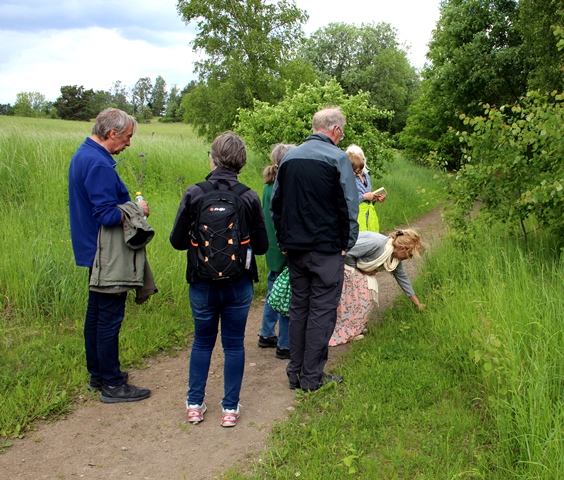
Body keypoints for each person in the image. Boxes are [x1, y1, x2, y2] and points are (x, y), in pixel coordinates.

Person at [170, 131, 268, 427]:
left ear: (212, 158)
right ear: (242, 162)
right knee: (234, 345)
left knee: (202, 342)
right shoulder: (249, 196)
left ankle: (195, 404)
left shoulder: (195, 193)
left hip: (201, 281)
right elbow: (261, 247)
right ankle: (229, 408)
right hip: (239, 284)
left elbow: (176, 241)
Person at [271, 107, 359, 392]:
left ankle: (294, 372)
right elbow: (349, 205)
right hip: (327, 249)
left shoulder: (289, 158)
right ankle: (311, 377)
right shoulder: (337, 158)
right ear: (335, 130)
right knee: (322, 311)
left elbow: (277, 205)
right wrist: (347, 243)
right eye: (341, 132)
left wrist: (284, 241)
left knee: (300, 309)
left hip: (295, 248)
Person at [68, 108, 151, 403]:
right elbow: (105, 214)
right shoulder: (99, 163)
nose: (129, 143)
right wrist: (136, 210)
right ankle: (113, 385)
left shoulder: (84, 154)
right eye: (127, 137)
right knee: (109, 318)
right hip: (106, 253)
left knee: (96, 315)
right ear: (112, 133)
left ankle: (98, 376)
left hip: (91, 248)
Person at [330, 229, 426, 344]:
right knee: (361, 294)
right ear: (402, 248)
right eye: (410, 255)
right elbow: (348, 252)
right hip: (338, 260)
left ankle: (355, 327)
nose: (409, 258)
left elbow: (402, 278)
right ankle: (345, 330)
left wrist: (417, 303)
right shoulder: (377, 244)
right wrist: (360, 270)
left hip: (353, 268)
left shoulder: (394, 257)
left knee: (365, 297)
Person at [258, 144, 296, 360]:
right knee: (286, 294)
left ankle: (266, 333)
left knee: (274, 290)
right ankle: (284, 344)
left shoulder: (268, 185)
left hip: (271, 246)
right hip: (283, 247)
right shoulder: (285, 185)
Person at [347, 144, 386, 233]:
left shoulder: (365, 175)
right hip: (355, 218)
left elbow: (367, 199)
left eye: (361, 159)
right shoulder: (347, 178)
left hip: (369, 217)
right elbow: (345, 201)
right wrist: (364, 197)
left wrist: (375, 198)